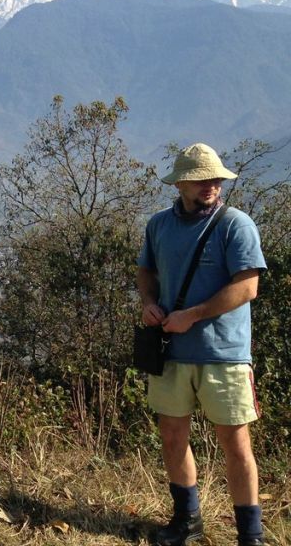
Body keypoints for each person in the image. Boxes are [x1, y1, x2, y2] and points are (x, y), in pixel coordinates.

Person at [137, 143, 267, 546]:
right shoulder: (159, 225)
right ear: (179, 184)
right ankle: (187, 522)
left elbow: (247, 287)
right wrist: (149, 304)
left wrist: (191, 315)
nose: (210, 185)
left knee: (236, 444)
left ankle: (250, 535)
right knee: (172, 437)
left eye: (215, 178)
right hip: (171, 352)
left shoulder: (236, 225)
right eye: (200, 180)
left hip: (224, 354)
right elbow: (146, 271)